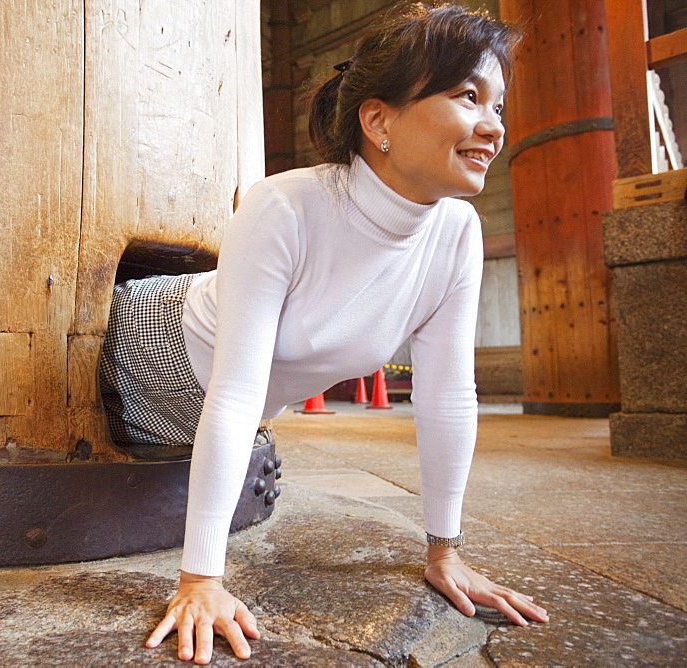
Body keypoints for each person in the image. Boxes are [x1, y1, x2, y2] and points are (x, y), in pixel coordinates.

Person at [99, 2, 550, 663]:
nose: (494, 127)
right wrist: (201, 579)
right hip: (143, 348)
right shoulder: (286, 206)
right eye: (468, 97)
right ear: (378, 121)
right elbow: (235, 391)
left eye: (498, 105)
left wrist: (444, 550)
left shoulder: (456, 235)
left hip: (221, 412)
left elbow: (448, 395)